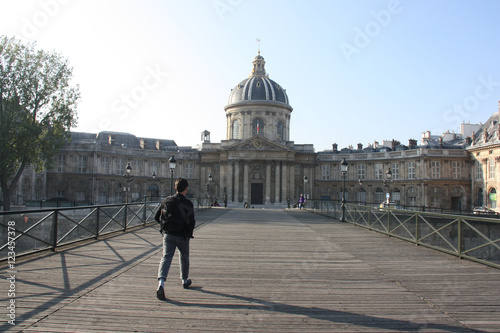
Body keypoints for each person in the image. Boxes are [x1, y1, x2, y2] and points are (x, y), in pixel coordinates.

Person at [155, 178, 195, 300]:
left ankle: (161, 283)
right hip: (182, 236)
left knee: (166, 258)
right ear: (186, 189)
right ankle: (184, 280)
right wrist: (188, 233)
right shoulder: (188, 203)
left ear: (175, 188)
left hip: (168, 235)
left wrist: (164, 228)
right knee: (184, 257)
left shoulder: (166, 201)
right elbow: (191, 222)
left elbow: (157, 217)